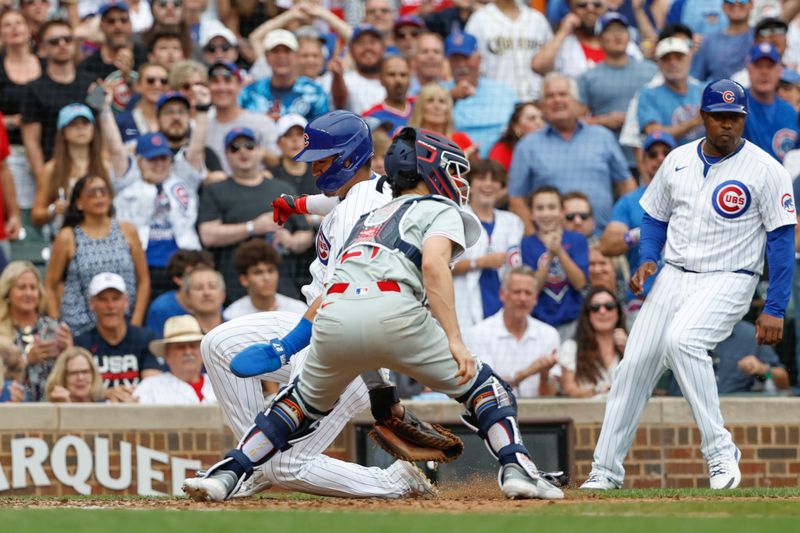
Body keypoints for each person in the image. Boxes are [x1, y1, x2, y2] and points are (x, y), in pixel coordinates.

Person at [184, 126, 564, 502]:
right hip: (388, 313)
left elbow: (341, 280)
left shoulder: (369, 215)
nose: (456, 181)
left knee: (295, 407)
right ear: (428, 174)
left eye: (323, 161)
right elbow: (432, 266)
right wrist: (452, 341)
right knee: (486, 389)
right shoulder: (426, 205)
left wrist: (290, 346)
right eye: (450, 171)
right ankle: (516, 467)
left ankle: (231, 471)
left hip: (332, 320)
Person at [582, 79, 796, 491]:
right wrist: (646, 258)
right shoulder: (677, 159)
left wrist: (774, 305)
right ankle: (605, 471)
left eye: (735, 118)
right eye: (720, 117)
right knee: (634, 368)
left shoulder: (767, 169)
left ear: (744, 119)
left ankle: (720, 452)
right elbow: (654, 217)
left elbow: (782, 242)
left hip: (730, 277)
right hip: (674, 274)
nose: (728, 126)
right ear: (703, 117)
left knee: (683, 341)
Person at [101, 85, 210, 297]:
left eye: (163, 158)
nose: (159, 164)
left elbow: (196, 149)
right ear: (140, 161)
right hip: (139, 264)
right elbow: (115, 149)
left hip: (184, 264)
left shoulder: (182, 179)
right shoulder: (127, 182)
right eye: (152, 159)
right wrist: (105, 111)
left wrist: (204, 108)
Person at [508, 73, 636, 234]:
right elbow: (516, 199)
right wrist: (534, 238)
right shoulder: (527, 146)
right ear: (542, 106)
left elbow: (626, 183)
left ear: (576, 101)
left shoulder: (602, 136)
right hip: (551, 242)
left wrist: (622, 226)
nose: (557, 100)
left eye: (563, 94)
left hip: (602, 243)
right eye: (550, 96)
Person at [197, 127, 311, 303]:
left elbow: (305, 233)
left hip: (285, 288)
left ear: (259, 151)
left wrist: (291, 241)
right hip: (236, 290)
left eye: (249, 145)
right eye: (235, 147)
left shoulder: (282, 189)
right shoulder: (215, 191)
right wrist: (252, 227)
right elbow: (208, 235)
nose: (243, 151)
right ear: (226, 155)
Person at [44, 174, 150, 336]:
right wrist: (56, 325)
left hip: (124, 326)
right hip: (79, 329)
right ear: (78, 202)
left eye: (103, 191)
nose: (99, 196)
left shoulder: (128, 230)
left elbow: (143, 280)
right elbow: (50, 285)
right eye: (92, 192)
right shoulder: (67, 236)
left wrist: (136, 322)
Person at [578, 12, 659, 169]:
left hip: (649, 157)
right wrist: (603, 121)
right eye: (610, 31)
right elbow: (577, 122)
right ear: (599, 39)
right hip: (605, 157)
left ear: (629, 36)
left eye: (621, 30)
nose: (617, 35)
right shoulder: (588, 77)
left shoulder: (651, 71)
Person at [464, 266, 560, 398]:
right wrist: (528, 371)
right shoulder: (480, 333)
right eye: (517, 292)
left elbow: (549, 396)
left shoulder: (549, 335)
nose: (522, 298)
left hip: (538, 416)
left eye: (528, 293)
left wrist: (544, 375)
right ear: (503, 294)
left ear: (535, 298)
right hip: (494, 416)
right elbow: (487, 390)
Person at [510, 186, 589, 340]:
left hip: (572, 321)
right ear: (531, 214)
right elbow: (532, 288)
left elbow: (580, 283)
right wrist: (549, 256)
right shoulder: (526, 244)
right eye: (540, 208)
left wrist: (559, 251)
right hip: (538, 322)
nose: (546, 213)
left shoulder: (577, 239)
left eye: (552, 207)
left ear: (562, 211)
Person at [453, 159, 523, 329]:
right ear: (470, 184)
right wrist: (479, 262)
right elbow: (438, 265)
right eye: (482, 178)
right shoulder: (456, 217)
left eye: (494, 180)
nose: (488, 184)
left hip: (501, 304)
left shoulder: (513, 222)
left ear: (502, 187)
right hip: (462, 305)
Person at [21, 19, 94, 179]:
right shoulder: (32, 89)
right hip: (54, 170)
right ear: (43, 48)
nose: (62, 44)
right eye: (54, 41)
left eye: (67, 39)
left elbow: (102, 127)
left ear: (75, 44)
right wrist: (43, 179)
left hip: (91, 170)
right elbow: (31, 141)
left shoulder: (93, 83)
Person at [74, 272, 162, 402]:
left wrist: (124, 395)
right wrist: (105, 394)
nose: (110, 306)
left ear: (126, 301)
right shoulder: (81, 343)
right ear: (92, 304)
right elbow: (75, 389)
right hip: (95, 415)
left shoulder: (146, 338)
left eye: (115, 298)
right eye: (103, 299)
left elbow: (154, 385)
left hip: (137, 410)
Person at [0, 260, 73, 401]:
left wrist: (68, 350)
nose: (28, 293)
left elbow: (71, 371)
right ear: (8, 292)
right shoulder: (1, 331)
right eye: (21, 287)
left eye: (33, 288)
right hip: (12, 408)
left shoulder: (54, 328)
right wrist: (27, 360)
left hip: (52, 406)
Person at [0, 9, 42, 246]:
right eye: (7, 24)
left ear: (29, 30)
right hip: (9, 149)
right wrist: (14, 121)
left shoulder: (45, 64)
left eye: (19, 23)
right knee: (19, 209)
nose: (14, 28)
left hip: (44, 149)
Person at [31, 103, 107, 230]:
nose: (80, 129)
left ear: (93, 129)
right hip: (66, 237)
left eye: (85, 123)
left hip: (102, 237)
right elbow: (36, 215)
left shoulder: (105, 164)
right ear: (63, 132)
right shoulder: (51, 169)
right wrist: (54, 209)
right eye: (73, 124)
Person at [666, 320, 791, 395]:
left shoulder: (750, 335)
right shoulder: (680, 332)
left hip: (735, 419)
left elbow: (783, 383)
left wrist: (762, 370)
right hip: (684, 417)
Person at [445, 30, 517, 158]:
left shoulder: (503, 92)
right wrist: (450, 97)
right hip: (454, 165)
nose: (461, 65)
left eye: (466, 58)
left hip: (498, 165)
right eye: (455, 59)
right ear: (448, 62)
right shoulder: (438, 93)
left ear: (479, 59)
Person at [464, 0, 552, 100]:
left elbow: (552, 64)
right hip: (496, 101)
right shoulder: (479, 20)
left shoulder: (537, 19)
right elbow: (468, 64)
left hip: (535, 100)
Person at [533, 0, 642, 79]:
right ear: (571, 8)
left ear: (606, 7)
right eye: (582, 5)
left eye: (597, 5)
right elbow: (539, 66)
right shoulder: (564, 43)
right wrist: (563, 31)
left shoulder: (622, 42)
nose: (590, 9)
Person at [238, 29, 328, 122]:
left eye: (287, 51)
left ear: (296, 56)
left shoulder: (315, 91)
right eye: (275, 51)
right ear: (266, 56)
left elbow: (321, 130)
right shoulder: (250, 92)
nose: (281, 56)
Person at [206, 61, 278, 176]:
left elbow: (279, 162)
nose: (221, 87)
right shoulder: (203, 128)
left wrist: (262, 154)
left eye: (228, 81)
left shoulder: (261, 122)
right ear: (208, 87)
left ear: (239, 86)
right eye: (215, 81)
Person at [558, 287, 627, 398]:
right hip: (585, 412)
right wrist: (597, 391)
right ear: (587, 314)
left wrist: (628, 351)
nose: (602, 311)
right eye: (595, 308)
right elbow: (568, 390)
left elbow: (645, 384)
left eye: (609, 306)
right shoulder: (571, 347)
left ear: (618, 312)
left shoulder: (631, 346)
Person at [134, 315, 216, 404]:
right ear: (166, 355)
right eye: (180, 347)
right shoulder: (149, 388)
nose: (188, 352)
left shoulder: (218, 383)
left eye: (193, 345)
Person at [638, 36, 704, 144]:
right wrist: (695, 122)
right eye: (666, 58)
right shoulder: (649, 94)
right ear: (658, 64)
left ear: (689, 59)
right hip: (669, 158)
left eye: (679, 57)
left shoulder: (704, 90)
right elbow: (654, 133)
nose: (673, 63)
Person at [743, 43, 799, 162]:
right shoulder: (737, 105)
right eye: (758, 66)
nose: (764, 72)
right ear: (749, 69)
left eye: (770, 66)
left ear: (779, 71)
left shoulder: (790, 112)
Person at [224, 239, 307, 320]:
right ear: (244, 279)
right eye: (258, 272)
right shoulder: (233, 316)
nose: (266, 278)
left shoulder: (299, 311)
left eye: (271, 271)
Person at [78, 2, 147, 80]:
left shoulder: (146, 57)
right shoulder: (89, 65)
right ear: (102, 26)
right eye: (111, 21)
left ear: (131, 24)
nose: (118, 26)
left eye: (123, 20)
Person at [407, 83, 476, 159]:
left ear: (449, 109)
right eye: (430, 100)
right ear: (420, 107)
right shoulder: (406, 139)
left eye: (442, 101)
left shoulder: (462, 140)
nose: (437, 106)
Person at [690, 0, 753, 82]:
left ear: (751, 4)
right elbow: (696, 81)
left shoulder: (761, 37)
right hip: (721, 93)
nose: (736, 3)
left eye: (742, 0)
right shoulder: (709, 42)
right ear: (723, 6)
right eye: (730, 0)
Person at [332, 24, 387, 115]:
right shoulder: (345, 80)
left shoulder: (395, 76)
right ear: (351, 51)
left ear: (383, 48)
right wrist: (337, 77)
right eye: (361, 43)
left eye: (372, 42)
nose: (367, 48)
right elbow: (339, 101)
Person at [113, 62, 169, 145]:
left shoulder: (176, 119)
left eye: (164, 81)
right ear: (138, 86)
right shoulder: (122, 121)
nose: (157, 85)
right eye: (150, 80)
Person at [362, 55, 414, 132]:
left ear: (410, 78)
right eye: (392, 74)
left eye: (403, 75)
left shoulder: (424, 106)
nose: (398, 80)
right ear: (381, 79)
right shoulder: (371, 116)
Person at [488, 102, 545, 172]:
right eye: (531, 119)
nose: (539, 122)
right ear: (516, 127)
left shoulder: (551, 148)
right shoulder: (502, 150)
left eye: (542, 118)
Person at [268, 114, 315, 195]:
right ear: (278, 142)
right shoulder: (270, 177)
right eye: (288, 135)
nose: (295, 139)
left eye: (300, 134)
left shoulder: (320, 172)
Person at [181, 265, 226, 333]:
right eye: (199, 288)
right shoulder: (179, 332)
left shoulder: (235, 329)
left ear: (223, 294)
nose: (206, 293)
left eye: (212, 286)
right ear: (187, 296)